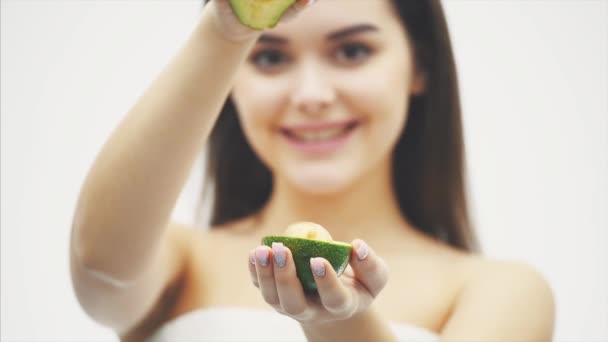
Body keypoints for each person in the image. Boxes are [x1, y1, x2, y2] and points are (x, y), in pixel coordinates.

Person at [69, 0, 556, 341]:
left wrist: (336, 322)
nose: (311, 95)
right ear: (231, 78)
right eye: (270, 56)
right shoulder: (178, 263)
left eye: (352, 51)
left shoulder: (500, 293)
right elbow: (98, 267)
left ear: (420, 65)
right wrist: (227, 29)